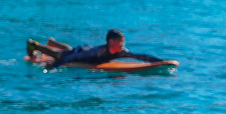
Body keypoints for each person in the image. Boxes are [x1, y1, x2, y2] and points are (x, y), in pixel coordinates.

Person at [30, 29, 158, 69]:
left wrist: (158, 62)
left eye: (123, 41)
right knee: (60, 54)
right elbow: (71, 58)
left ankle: (52, 42)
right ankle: (34, 45)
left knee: (68, 49)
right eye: (120, 41)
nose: (122, 44)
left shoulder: (121, 52)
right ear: (111, 42)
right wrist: (53, 66)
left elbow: (140, 56)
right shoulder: (97, 53)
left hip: (86, 50)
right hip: (83, 53)